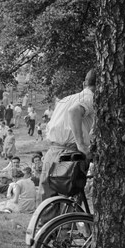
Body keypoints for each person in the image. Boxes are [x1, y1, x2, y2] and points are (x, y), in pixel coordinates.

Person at [39, 69, 96, 201]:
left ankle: (46, 222)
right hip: (70, 153)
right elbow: (74, 111)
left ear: (83, 84)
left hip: (52, 150)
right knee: (69, 200)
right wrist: (81, 144)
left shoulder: (65, 99)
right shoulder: (90, 97)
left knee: (47, 199)